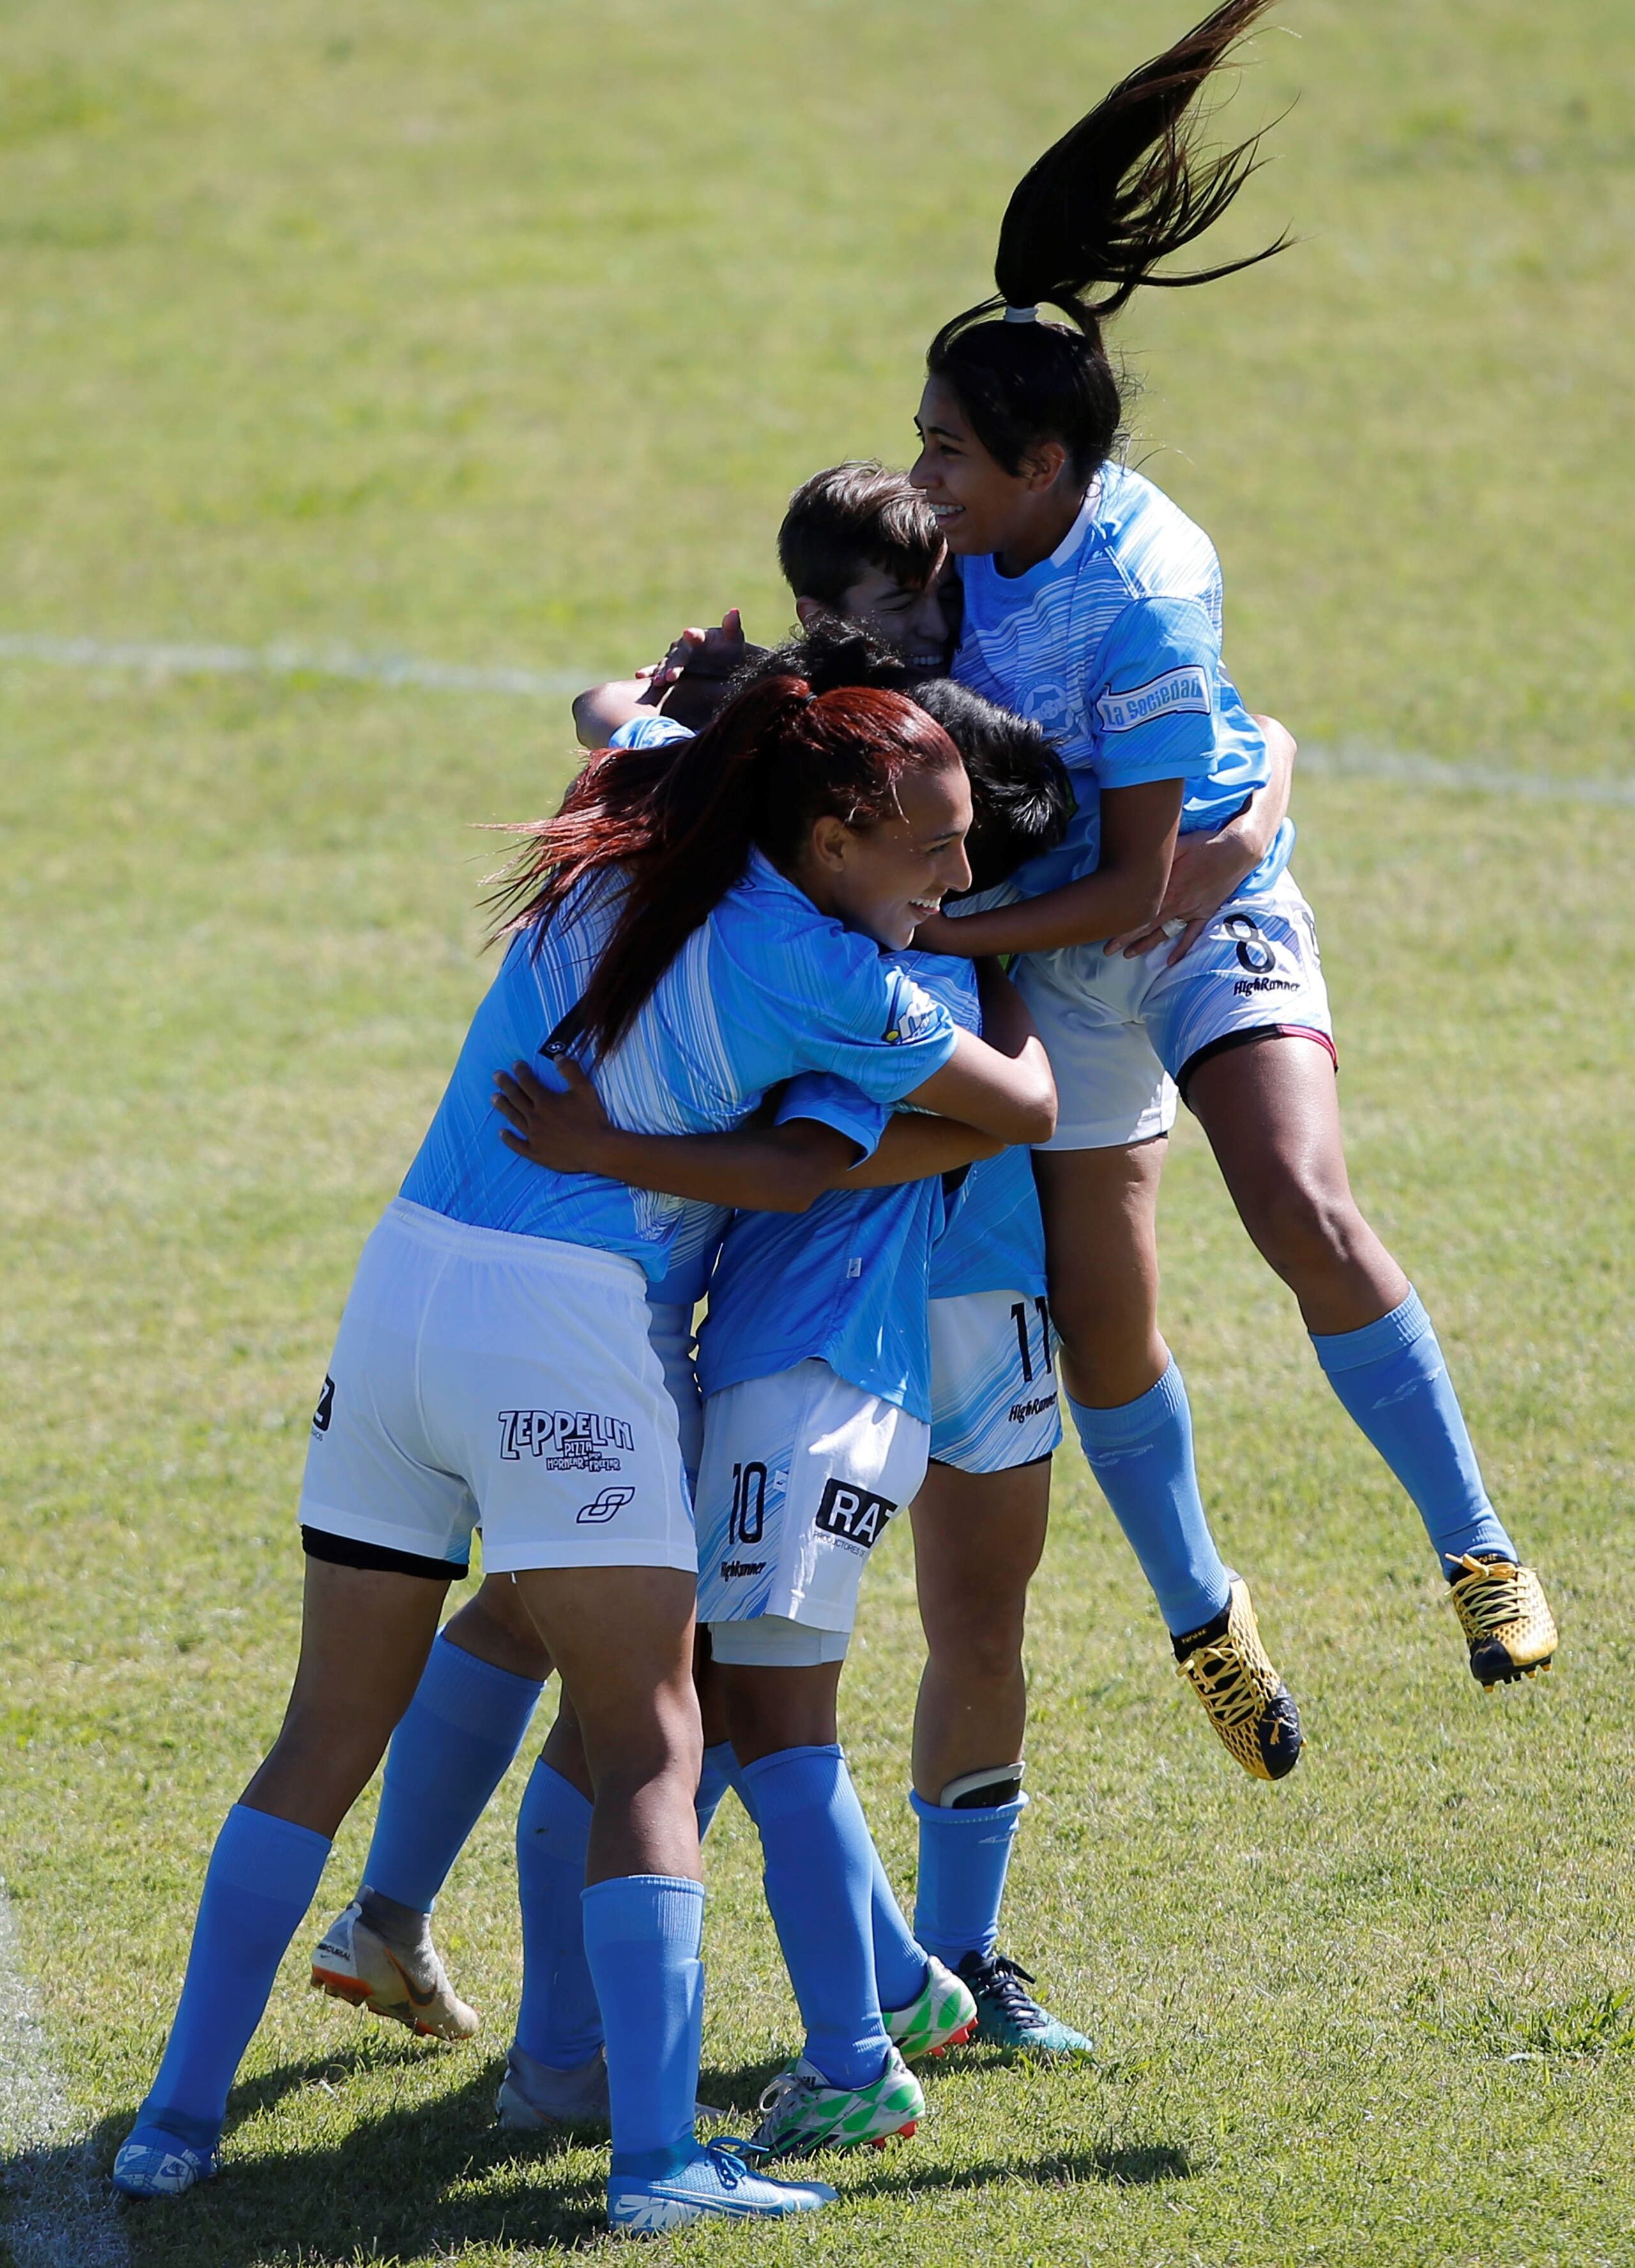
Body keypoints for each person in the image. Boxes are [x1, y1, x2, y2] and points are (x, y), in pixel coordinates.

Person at [112, 674, 1054, 2234]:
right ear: (831, 835)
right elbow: (1017, 1102)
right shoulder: (821, 964)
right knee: (652, 1742)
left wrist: (692, 688)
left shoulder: (651, 808)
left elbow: (605, 703)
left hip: (398, 1293)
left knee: (318, 1737)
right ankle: (655, 2161)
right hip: (567, 1325)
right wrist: (978, 969)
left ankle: (174, 2119)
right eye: (933, 852)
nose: (952, 881)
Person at [902, 0, 1556, 1779]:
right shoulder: (949, 544)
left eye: (951, 450)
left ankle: (1480, 1546)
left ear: (1043, 465)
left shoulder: (1146, 588)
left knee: (1297, 1199)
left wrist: (972, 917)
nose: (924, 473)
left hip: (1172, 917)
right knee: (1108, 1316)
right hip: (1049, 944)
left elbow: (1149, 881)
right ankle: (1210, 1621)